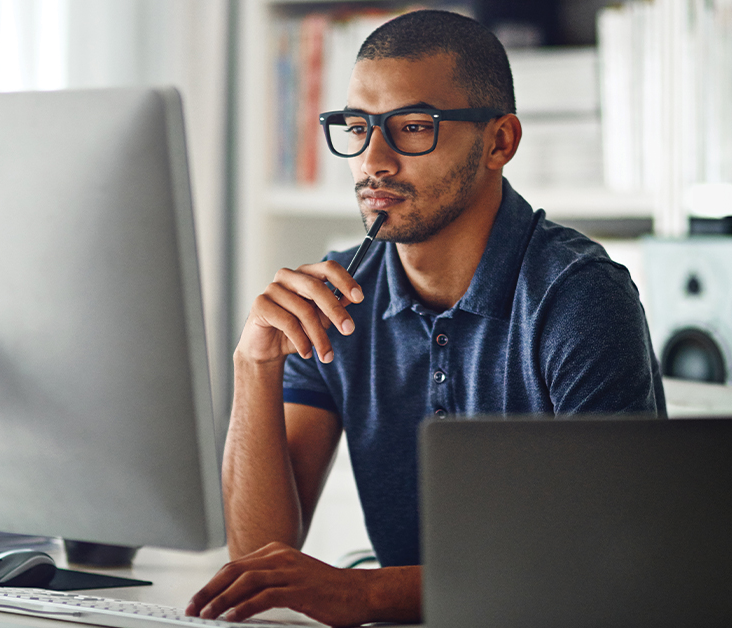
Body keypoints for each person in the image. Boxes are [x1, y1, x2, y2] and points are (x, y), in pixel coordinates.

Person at [186, 9, 665, 626]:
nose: (373, 160)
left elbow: (609, 559)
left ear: (500, 142)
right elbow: (259, 561)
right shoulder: (337, 295)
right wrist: (253, 364)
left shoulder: (578, 297)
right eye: (357, 127)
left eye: (413, 127)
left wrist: (365, 594)